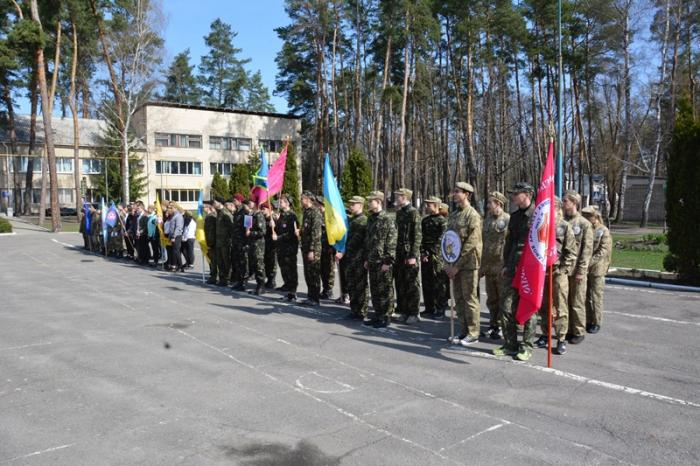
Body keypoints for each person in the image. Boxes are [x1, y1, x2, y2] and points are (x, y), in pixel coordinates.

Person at [493, 182, 536, 361]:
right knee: (506, 306)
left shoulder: (538, 215)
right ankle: (510, 344)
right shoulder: (515, 216)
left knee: (528, 306)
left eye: (516, 194)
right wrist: (506, 265)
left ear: (527, 194)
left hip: (530, 269)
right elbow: (510, 242)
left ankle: (527, 346)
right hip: (513, 267)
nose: (512, 197)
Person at [535, 197, 577, 355]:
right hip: (543, 271)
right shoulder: (541, 224)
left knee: (560, 306)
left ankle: (561, 338)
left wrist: (563, 269)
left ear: (557, 208)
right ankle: (545, 334)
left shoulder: (564, 226)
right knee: (544, 306)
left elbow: (571, 252)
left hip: (558, 272)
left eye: (550, 207)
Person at [445, 182, 483, 346]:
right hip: (454, 263)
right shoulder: (454, 215)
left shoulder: (472, 215)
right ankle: (463, 330)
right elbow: (448, 239)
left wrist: (457, 265)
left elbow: (471, 243)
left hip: (467, 264)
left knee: (469, 299)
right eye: (454, 191)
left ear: (467, 194)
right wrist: (447, 262)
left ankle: (473, 333)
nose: (454, 194)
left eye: (457, 192)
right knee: (459, 298)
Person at [563, 190, 593, 344]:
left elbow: (587, 251)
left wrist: (581, 271)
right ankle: (568, 330)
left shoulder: (584, 224)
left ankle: (579, 331)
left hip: (576, 270)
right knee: (565, 302)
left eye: (566, 201)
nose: (563, 204)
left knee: (577, 302)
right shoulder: (563, 221)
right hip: (564, 269)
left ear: (574, 203)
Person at [363, 191, 397, 328]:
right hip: (372, 260)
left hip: (383, 261)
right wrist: (367, 258)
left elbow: (391, 241)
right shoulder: (371, 218)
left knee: (385, 290)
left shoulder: (387, 218)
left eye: (371, 201)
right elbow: (368, 240)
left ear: (378, 202)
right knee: (375, 289)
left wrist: (388, 261)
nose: (369, 203)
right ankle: (378, 315)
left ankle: (386, 317)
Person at [480, 191, 510, 339]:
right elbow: (483, 243)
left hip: (501, 266)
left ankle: (504, 327)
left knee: (503, 299)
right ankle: (493, 325)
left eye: (490, 203)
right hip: (489, 266)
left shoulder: (508, 220)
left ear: (498, 204)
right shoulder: (487, 221)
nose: (488, 206)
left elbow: (510, 244)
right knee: (491, 299)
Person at [393, 188, 422, 324]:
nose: (396, 198)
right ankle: (404, 311)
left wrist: (413, 255)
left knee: (412, 284)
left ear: (404, 197)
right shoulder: (400, 213)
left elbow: (417, 235)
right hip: (399, 253)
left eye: (398, 196)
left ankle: (414, 313)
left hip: (409, 253)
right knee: (401, 283)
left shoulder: (413, 213)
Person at [337, 196, 368, 320]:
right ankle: (354, 309)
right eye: (350, 204)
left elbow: (362, 241)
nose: (350, 206)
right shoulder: (351, 220)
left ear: (360, 205)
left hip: (359, 258)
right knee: (351, 284)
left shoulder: (363, 221)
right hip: (350, 257)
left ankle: (362, 311)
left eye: (353, 204)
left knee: (360, 285)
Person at [582, 205, 612, 334]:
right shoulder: (587, 229)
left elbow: (603, 251)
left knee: (596, 296)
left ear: (595, 217)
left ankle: (597, 322)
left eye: (588, 216)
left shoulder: (603, 231)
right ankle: (588, 320)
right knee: (585, 296)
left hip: (597, 269)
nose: (586, 219)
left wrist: (588, 262)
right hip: (585, 268)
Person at [420, 196, 448, 319]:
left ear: (436, 206)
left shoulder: (442, 221)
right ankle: (429, 308)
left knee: (439, 282)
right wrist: (423, 252)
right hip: (426, 255)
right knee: (426, 282)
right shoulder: (425, 221)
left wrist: (431, 252)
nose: (427, 207)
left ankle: (440, 309)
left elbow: (442, 239)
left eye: (429, 205)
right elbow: (421, 237)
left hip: (437, 255)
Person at [274, 194, 300, 301]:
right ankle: (288, 289)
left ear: (287, 203)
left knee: (291, 270)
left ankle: (293, 292)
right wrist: (274, 223)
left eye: (282, 202)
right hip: (281, 247)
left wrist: (278, 237)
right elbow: (278, 229)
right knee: (284, 269)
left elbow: (292, 233)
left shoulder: (292, 216)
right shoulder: (282, 215)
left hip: (289, 247)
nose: (280, 203)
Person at [300, 191, 323, 306]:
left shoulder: (315, 212)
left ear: (308, 199)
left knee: (313, 273)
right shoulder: (306, 212)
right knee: (308, 273)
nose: (301, 200)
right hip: (305, 247)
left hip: (313, 249)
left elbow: (316, 233)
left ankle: (315, 298)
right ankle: (310, 296)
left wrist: (312, 250)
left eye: (302, 198)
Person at [245, 201, 267, 295]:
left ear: (256, 204)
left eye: (251, 202)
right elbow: (247, 227)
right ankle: (258, 285)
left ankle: (261, 286)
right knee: (254, 265)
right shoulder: (250, 215)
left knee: (259, 265)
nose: (249, 203)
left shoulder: (259, 215)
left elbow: (262, 232)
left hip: (258, 245)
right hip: (251, 243)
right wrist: (247, 229)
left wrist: (251, 233)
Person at [317, 196, 336, 300]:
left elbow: (334, 233)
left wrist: (333, 247)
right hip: (321, 247)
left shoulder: (330, 217)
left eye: (320, 205)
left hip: (329, 247)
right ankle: (325, 289)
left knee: (329, 270)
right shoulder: (319, 216)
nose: (319, 207)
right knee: (322, 270)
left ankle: (329, 290)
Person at [231, 194, 249, 291]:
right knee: (237, 262)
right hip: (236, 241)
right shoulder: (237, 212)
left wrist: (246, 242)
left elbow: (248, 228)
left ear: (239, 201)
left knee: (243, 262)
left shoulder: (245, 212)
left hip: (242, 241)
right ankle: (239, 281)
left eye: (235, 200)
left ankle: (244, 283)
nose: (233, 202)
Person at [215, 198, 234, 286]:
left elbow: (231, 227)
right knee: (220, 261)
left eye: (215, 202)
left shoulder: (226, 213)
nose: (214, 204)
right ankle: (222, 278)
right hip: (219, 241)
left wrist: (230, 240)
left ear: (220, 203)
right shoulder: (219, 213)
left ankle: (227, 279)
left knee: (226, 261)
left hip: (225, 242)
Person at [262, 203, 278, 289]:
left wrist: (274, 225)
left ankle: (272, 280)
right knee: (266, 262)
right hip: (265, 243)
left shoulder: (273, 218)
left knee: (272, 263)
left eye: (264, 209)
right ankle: (268, 279)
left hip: (272, 244)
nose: (262, 210)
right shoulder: (264, 218)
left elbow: (278, 229)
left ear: (269, 210)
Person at [204, 201, 219, 284]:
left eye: (204, 207)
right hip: (210, 241)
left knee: (214, 261)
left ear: (208, 208)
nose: (203, 209)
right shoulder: (208, 216)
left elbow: (211, 231)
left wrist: (210, 242)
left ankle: (214, 277)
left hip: (213, 242)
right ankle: (213, 276)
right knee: (212, 260)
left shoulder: (211, 217)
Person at [168, 203, 185, 272]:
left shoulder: (178, 216)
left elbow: (178, 227)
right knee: (175, 251)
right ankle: (176, 266)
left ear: (175, 208)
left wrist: (174, 236)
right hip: (173, 235)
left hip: (177, 236)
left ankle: (179, 267)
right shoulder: (174, 215)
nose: (169, 209)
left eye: (170, 208)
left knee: (176, 251)